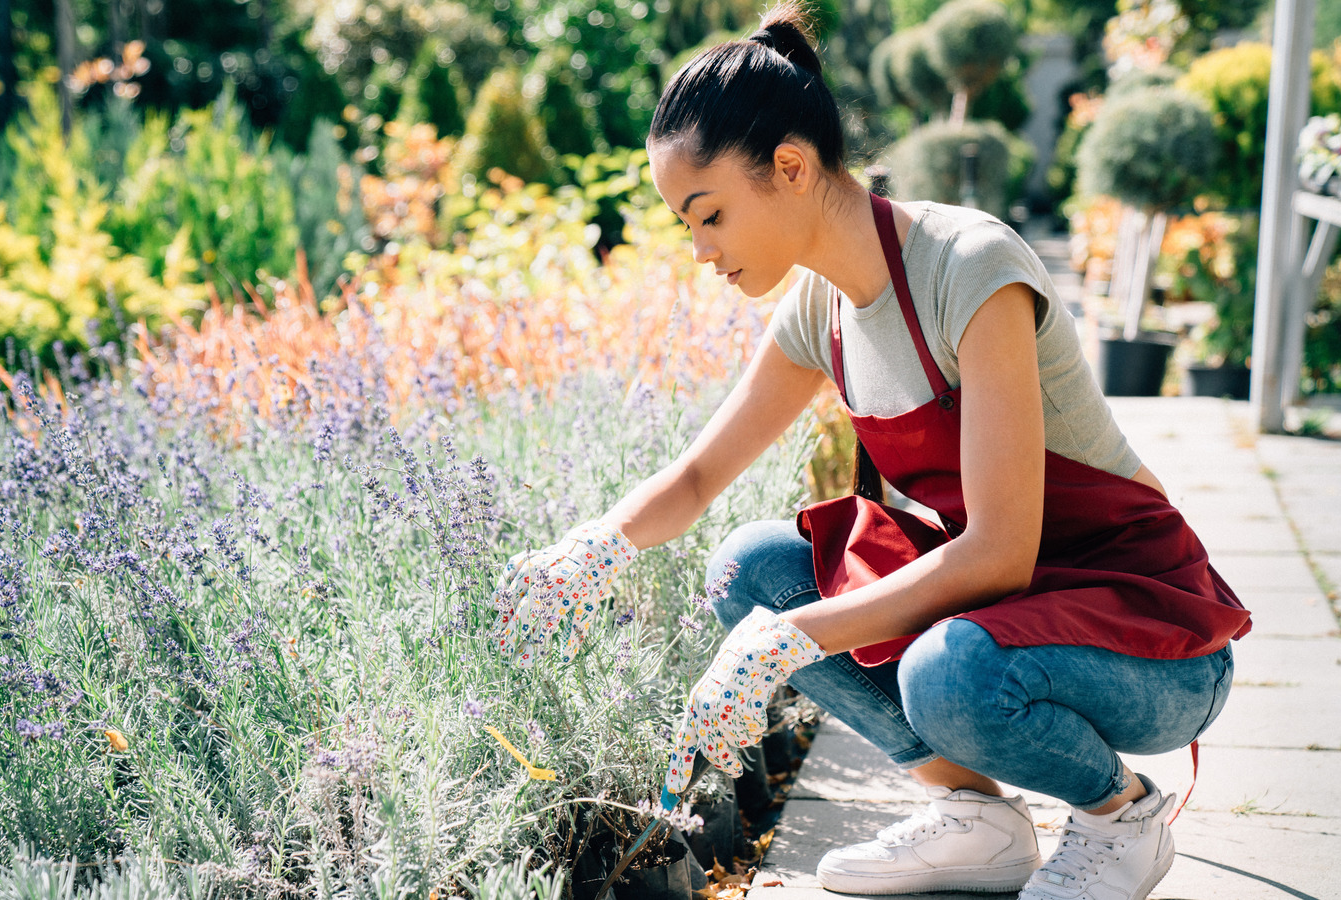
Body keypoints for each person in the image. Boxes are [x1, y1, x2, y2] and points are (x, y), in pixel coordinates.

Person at [490, 3, 1251, 898]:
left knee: (947, 672)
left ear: (791, 167)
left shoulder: (969, 267)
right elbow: (698, 477)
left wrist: (790, 641)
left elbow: (1001, 553)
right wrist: (594, 546)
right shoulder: (819, 310)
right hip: (1015, 617)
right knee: (753, 570)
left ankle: (1122, 817)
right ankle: (976, 818)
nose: (699, 250)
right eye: (685, 226)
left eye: (710, 215)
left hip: (1154, 637)